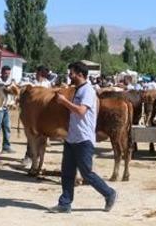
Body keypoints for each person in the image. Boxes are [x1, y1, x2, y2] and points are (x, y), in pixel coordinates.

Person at [49, 61, 117, 214]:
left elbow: (80, 111)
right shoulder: (78, 90)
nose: (69, 75)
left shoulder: (88, 91)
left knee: (86, 173)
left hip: (83, 140)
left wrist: (63, 102)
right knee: (67, 172)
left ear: (80, 74)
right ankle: (65, 203)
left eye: (71, 73)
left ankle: (109, 193)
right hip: (72, 138)